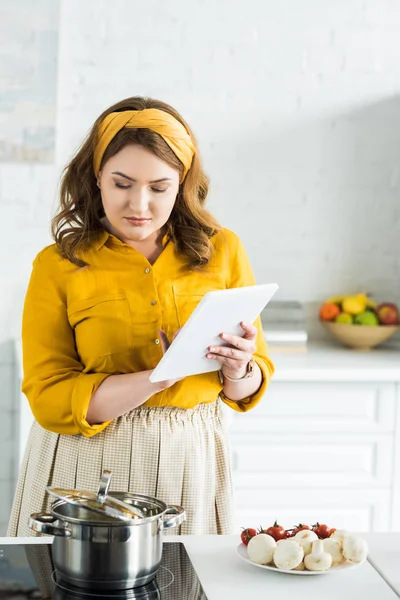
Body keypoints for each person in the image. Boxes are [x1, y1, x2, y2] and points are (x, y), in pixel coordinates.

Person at [7, 96, 274, 537]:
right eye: (122, 183)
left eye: (159, 187)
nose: (140, 204)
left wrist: (240, 367)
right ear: (97, 179)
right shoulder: (58, 264)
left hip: (190, 459)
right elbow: (48, 396)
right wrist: (159, 377)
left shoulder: (222, 250)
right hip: (85, 463)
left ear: (182, 184)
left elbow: (250, 383)